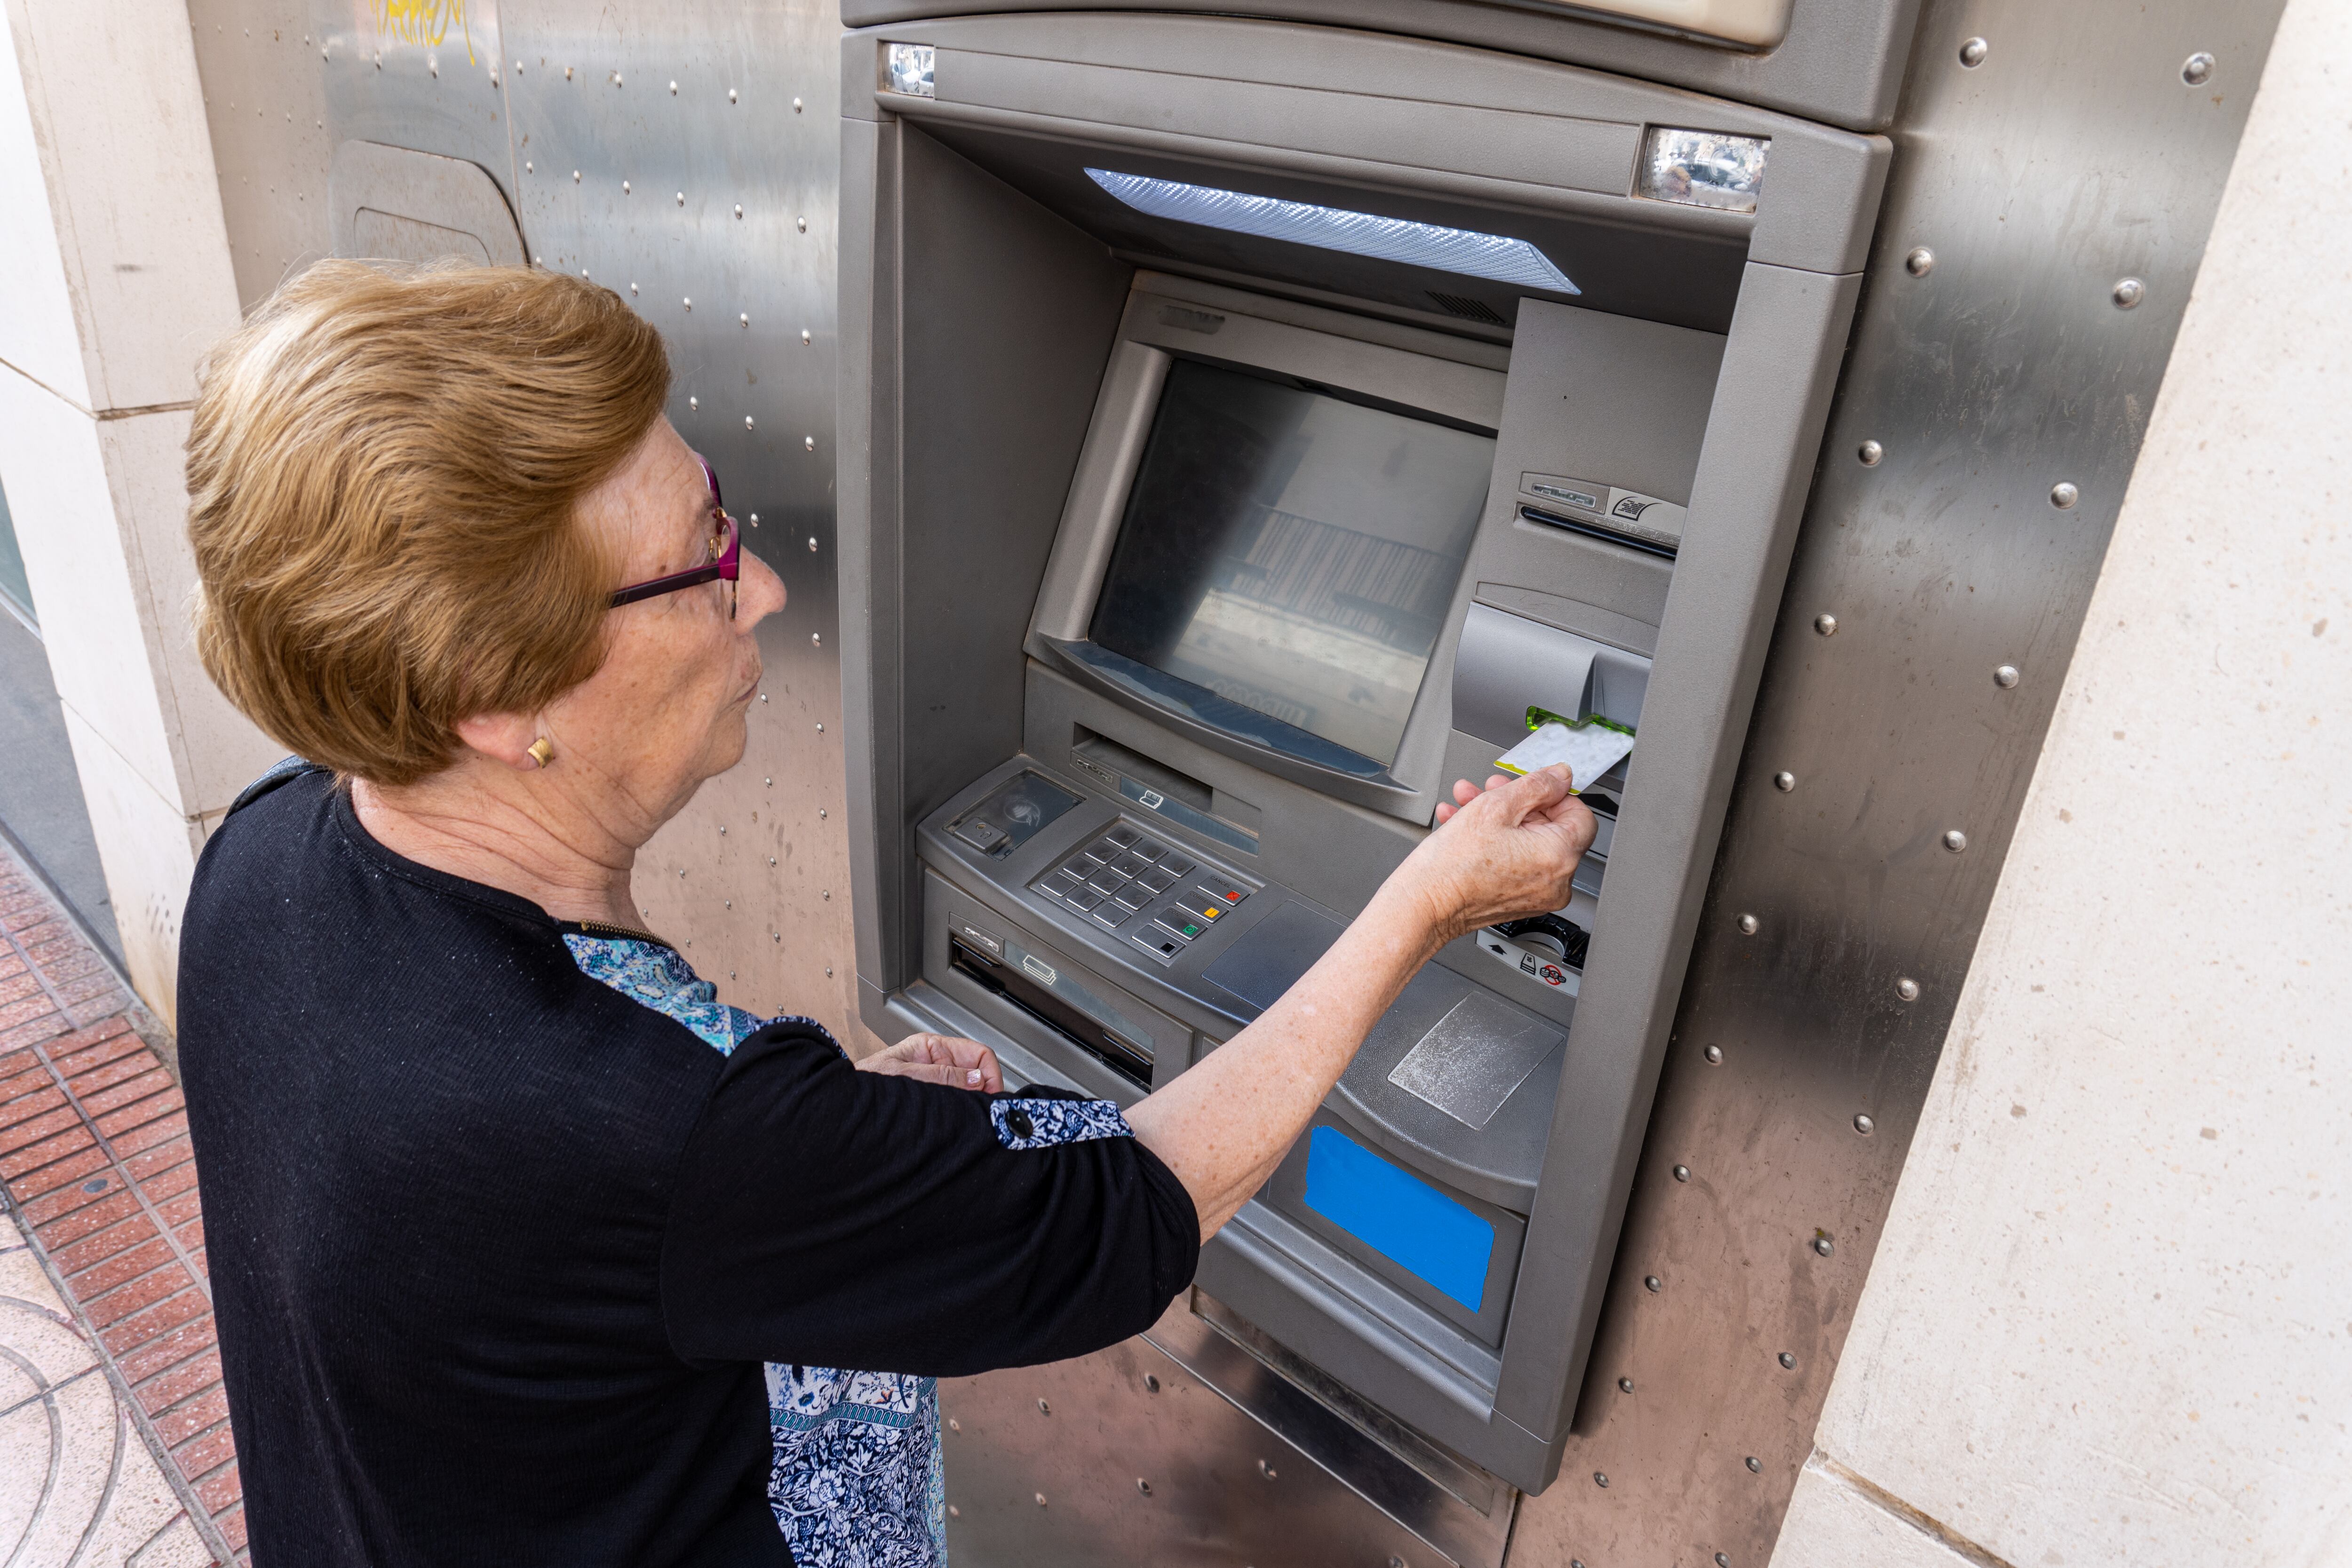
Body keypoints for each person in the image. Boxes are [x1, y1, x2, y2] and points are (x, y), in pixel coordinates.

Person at [175, 261, 1594, 1567]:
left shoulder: (267, 856)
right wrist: (1423, 904)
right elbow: (1120, 1222)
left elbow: (516, 1242)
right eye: (705, 555)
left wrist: (811, 1170)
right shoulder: (668, 1134)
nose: (769, 586)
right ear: (498, 694)